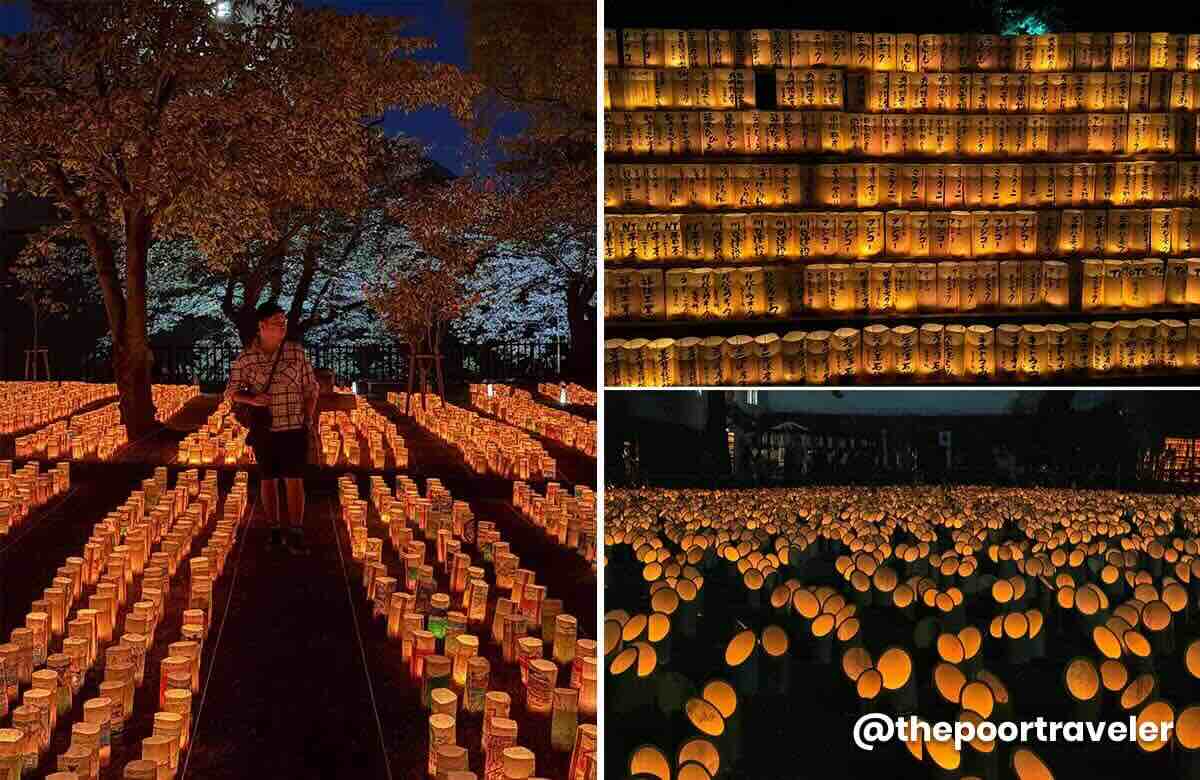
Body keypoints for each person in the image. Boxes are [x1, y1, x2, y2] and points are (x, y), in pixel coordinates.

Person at [225, 302, 319, 554]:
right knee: (268, 479)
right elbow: (231, 392)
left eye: (284, 321)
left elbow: (312, 389)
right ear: (262, 326)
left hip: (293, 425)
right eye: (277, 322)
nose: (282, 325)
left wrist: (307, 419)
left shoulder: (296, 353)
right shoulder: (246, 358)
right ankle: (274, 530)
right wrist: (251, 399)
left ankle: (296, 531)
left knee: (294, 478)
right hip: (264, 428)